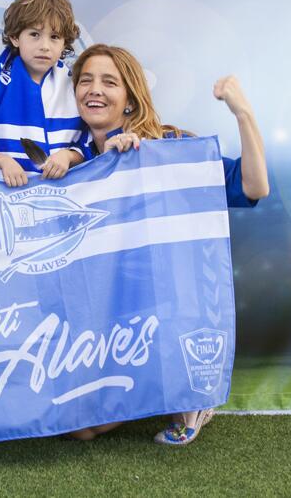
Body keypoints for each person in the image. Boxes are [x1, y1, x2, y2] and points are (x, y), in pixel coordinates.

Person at [64, 43, 269, 445]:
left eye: (109, 81)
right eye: (85, 80)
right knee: (81, 430)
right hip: (105, 313)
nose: (95, 90)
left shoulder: (166, 146)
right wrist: (107, 164)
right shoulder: (74, 158)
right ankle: (152, 389)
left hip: (166, 305)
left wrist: (244, 113)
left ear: (129, 97)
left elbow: (254, 186)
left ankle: (188, 396)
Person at [0, 0, 83, 186]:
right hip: (9, 195)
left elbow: (89, 145)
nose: (45, 46)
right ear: (15, 38)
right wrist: (3, 161)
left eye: (54, 37)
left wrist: (67, 157)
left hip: (65, 196)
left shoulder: (75, 86)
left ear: (65, 43)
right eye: (35, 34)